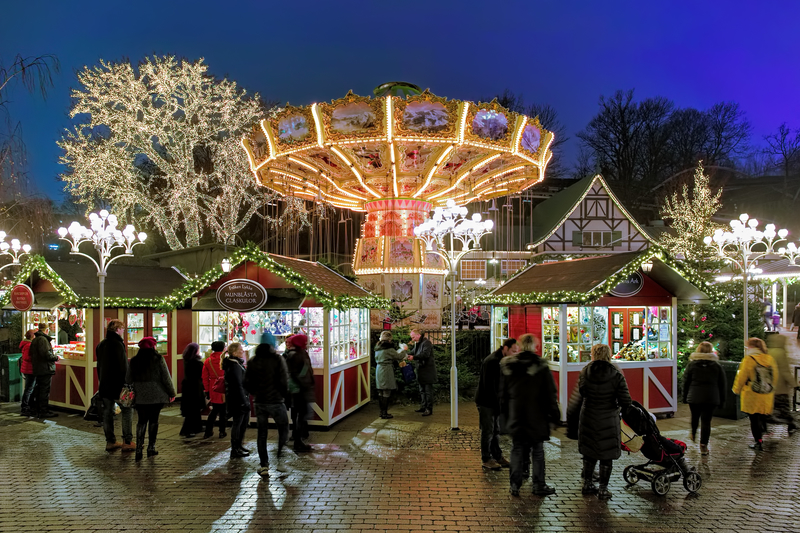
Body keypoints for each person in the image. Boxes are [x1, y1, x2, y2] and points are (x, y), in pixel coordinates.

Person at [567, 344, 632, 500]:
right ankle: (603, 489)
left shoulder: (585, 372)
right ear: (609, 355)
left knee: (589, 452)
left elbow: (582, 392)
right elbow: (625, 400)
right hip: (608, 417)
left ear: (594, 354)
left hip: (588, 415)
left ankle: (587, 484)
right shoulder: (616, 374)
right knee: (606, 455)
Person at [500, 333, 559, 497]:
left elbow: (503, 394)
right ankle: (538, 485)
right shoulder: (541, 365)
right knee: (538, 452)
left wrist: (505, 415)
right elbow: (550, 394)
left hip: (516, 414)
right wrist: (554, 415)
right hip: (537, 416)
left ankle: (515, 484)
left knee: (517, 449)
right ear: (535, 345)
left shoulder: (509, 366)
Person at [244, 332, 289, 479]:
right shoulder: (277, 359)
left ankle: (264, 465)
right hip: (276, 401)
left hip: (260, 402)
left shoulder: (252, 361)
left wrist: (255, 393)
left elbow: (246, 382)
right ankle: (280, 459)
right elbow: (283, 381)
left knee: (261, 434)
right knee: (283, 430)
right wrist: (284, 396)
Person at [126, 337, 176, 461]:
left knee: (141, 421)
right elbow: (166, 378)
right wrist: (172, 393)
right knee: (154, 420)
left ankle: (138, 449)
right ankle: (151, 447)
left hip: (140, 395)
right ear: (153, 347)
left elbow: (128, 379)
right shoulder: (158, 359)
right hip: (157, 395)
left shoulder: (134, 360)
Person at [475, 337, 516, 470]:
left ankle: (497, 456)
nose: (514, 354)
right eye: (513, 351)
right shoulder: (493, 361)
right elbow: (491, 387)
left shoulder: (499, 360)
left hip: (492, 401)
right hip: (487, 402)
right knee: (488, 431)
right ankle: (486, 458)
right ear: (506, 349)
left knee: (495, 430)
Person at [732, 337, 779, 451]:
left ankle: (758, 441)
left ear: (751, 347)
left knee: (754, 419)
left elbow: (741, 377)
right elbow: (775, 376)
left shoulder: (749, 359)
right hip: (766, 394)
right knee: (762, 416)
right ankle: (763, 432)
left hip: (752, 394)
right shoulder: (769, 359)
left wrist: (736, 389)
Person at [682, 341, 727, 455]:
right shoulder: (717, 366)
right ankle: (703, 445)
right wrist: (722, 400)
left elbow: (686, 382)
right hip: (711, 398)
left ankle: (693, 433)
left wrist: (685, 397)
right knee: (706, 421)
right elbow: (722, 384)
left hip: (694, 396)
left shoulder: (692, 365)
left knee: (695, 417)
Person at [97, 319, 134, 452]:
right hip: (118, 385)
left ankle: (110, 441)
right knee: (127, 410)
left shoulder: (101, 345)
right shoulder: (118, 345)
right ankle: (127, 441)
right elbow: (123, 366)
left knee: (107, 412)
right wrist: (127, 383)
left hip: (105, 384)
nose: (124, 331)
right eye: (123, 328)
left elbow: (99, 366)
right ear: (117, 329)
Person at [284, 334, 315, 452]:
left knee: (300, 416)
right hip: (299, 390)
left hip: (300, 390)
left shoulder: (296, 354)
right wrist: (306, 384)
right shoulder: (297, 355)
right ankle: (298, 441)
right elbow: (297, 374)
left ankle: (298, 439)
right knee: (300, 416)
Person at [223, 342, 251, 459]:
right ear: (234, 353)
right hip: (238, 399)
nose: (243, 351)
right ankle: (235, 449)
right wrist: (244, 400)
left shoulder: (235, 364)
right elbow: (238, 385)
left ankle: (239, 446)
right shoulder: (234, 366)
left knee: (241, 423)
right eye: (240, 349)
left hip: (238, 398)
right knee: (238, 424)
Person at [766, 334, 797, 435]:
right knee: (784, 408)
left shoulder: (768, 351)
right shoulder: (781, 352)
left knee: (770, 408)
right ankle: (791, 424)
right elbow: (785, 371)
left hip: (770, 386)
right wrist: (794, 383)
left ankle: (764, 425)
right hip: (780, 387)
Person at [374, 330, 407, 420]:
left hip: (379, 369)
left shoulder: (377, 347)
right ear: (389, 339)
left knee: (380, 391)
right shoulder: (388, 349)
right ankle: (384, 413)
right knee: (386, 391)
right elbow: (398, 356)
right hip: (386, 370)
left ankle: (381, 412)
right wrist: (404, 350)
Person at [29, 323, 59, 419]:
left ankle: (37, 409)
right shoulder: (42, 340)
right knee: (44, 390)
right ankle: (43, 411)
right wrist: (55, 357)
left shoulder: (35, 339)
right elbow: (46, 354)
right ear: (46, 330)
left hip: (38, 368)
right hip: (44, 369)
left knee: (39, 389)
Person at [202, 341, 228, 438]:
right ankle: (222, 431)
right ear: (223, 348)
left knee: (214, 410)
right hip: (225, 386)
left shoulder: (208, 361)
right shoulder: (226, 360)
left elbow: (204, 377)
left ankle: (208, 430)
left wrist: (207, 390)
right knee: (223, 411)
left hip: (214, 387)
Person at [407, 327, 436, 416]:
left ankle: (429, 408)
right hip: (421, 370)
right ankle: (424, 406)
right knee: (422, 390)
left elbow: (425, 354)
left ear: (418, 335)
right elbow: (413, 352)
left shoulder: (426, 343)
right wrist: (407, 354)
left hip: (427, 370)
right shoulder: (418, 343)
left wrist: (413, 357)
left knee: (427, 391)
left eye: (413, 337)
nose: (412, 339)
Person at [180, 343, 205, 438]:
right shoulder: (197, 363)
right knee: (194, 407)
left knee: (192, 408)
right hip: (195, 387)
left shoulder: (187, 360)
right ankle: (189, 429)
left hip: (187, 386)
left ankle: (196, 427)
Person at [19, 329, 37, 417]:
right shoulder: (29, 345)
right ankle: (25, 407)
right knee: (29, 389)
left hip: (27, 368)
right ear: (32, 336)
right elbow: (27, 357)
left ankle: (28, 406)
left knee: (29, 388)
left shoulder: (26, 344)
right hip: (29, 369)